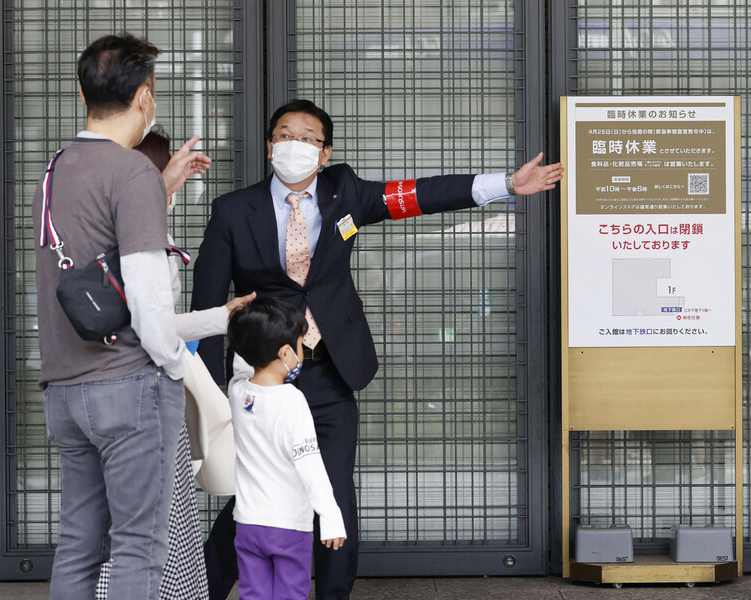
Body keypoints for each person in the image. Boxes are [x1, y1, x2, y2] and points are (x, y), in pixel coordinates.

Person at [192, 98, 564, 600]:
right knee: (259, 495)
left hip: (328, 369)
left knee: (334, 493)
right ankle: (201, 589)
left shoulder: (345, 194)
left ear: (324, 153)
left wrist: (505, 185)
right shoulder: (233, 211)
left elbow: (418, 195)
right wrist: (210, 390)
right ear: (268, 146)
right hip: (261, 377)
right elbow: (207, 302)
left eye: (307, 137)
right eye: (284, 134)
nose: (294, 145)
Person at [32, 34, 200, 600]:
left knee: (78, 543)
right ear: (146, 98)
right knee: (138, 547)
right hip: (129, 385)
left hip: (63, 389)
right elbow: (151, 300)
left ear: (83, 92)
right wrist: (174, 366)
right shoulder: (132, 174)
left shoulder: (54, 171)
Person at [93, 130, 254, 600]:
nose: (182, 182)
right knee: (157, 523)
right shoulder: (144, 235)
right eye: (177, 170)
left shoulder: (106, 225)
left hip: (106, 391)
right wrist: (215, 323)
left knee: (130, 518)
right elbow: (154, 330)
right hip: (146, 394)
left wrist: (220, 317)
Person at [227, 297, 347, 600]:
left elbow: (241, 364)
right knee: (290, 594)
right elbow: (310, 464)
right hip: (289, 527)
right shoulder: (292, 401)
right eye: (300, 346)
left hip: (249, 524)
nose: (302, 354)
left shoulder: (238, 392)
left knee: (252, 594)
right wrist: (330, 517)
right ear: (285, 353)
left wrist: (245, 322)